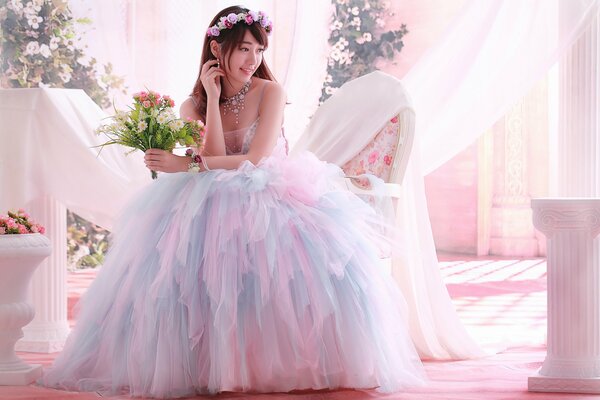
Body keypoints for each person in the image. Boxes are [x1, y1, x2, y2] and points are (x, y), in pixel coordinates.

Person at [40, 6, 425, 397]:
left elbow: (254, 159)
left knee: (292, 257)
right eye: (243, 49)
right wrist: (210, 96)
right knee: (181, 253)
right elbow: (217, 155)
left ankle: (279, 360)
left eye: (258, 50)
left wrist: (186, 164)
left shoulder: (270, 92)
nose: (252, 59)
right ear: (217, 48)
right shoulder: (192, 105)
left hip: (270, 189)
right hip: (207, 190)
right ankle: (204, 363)